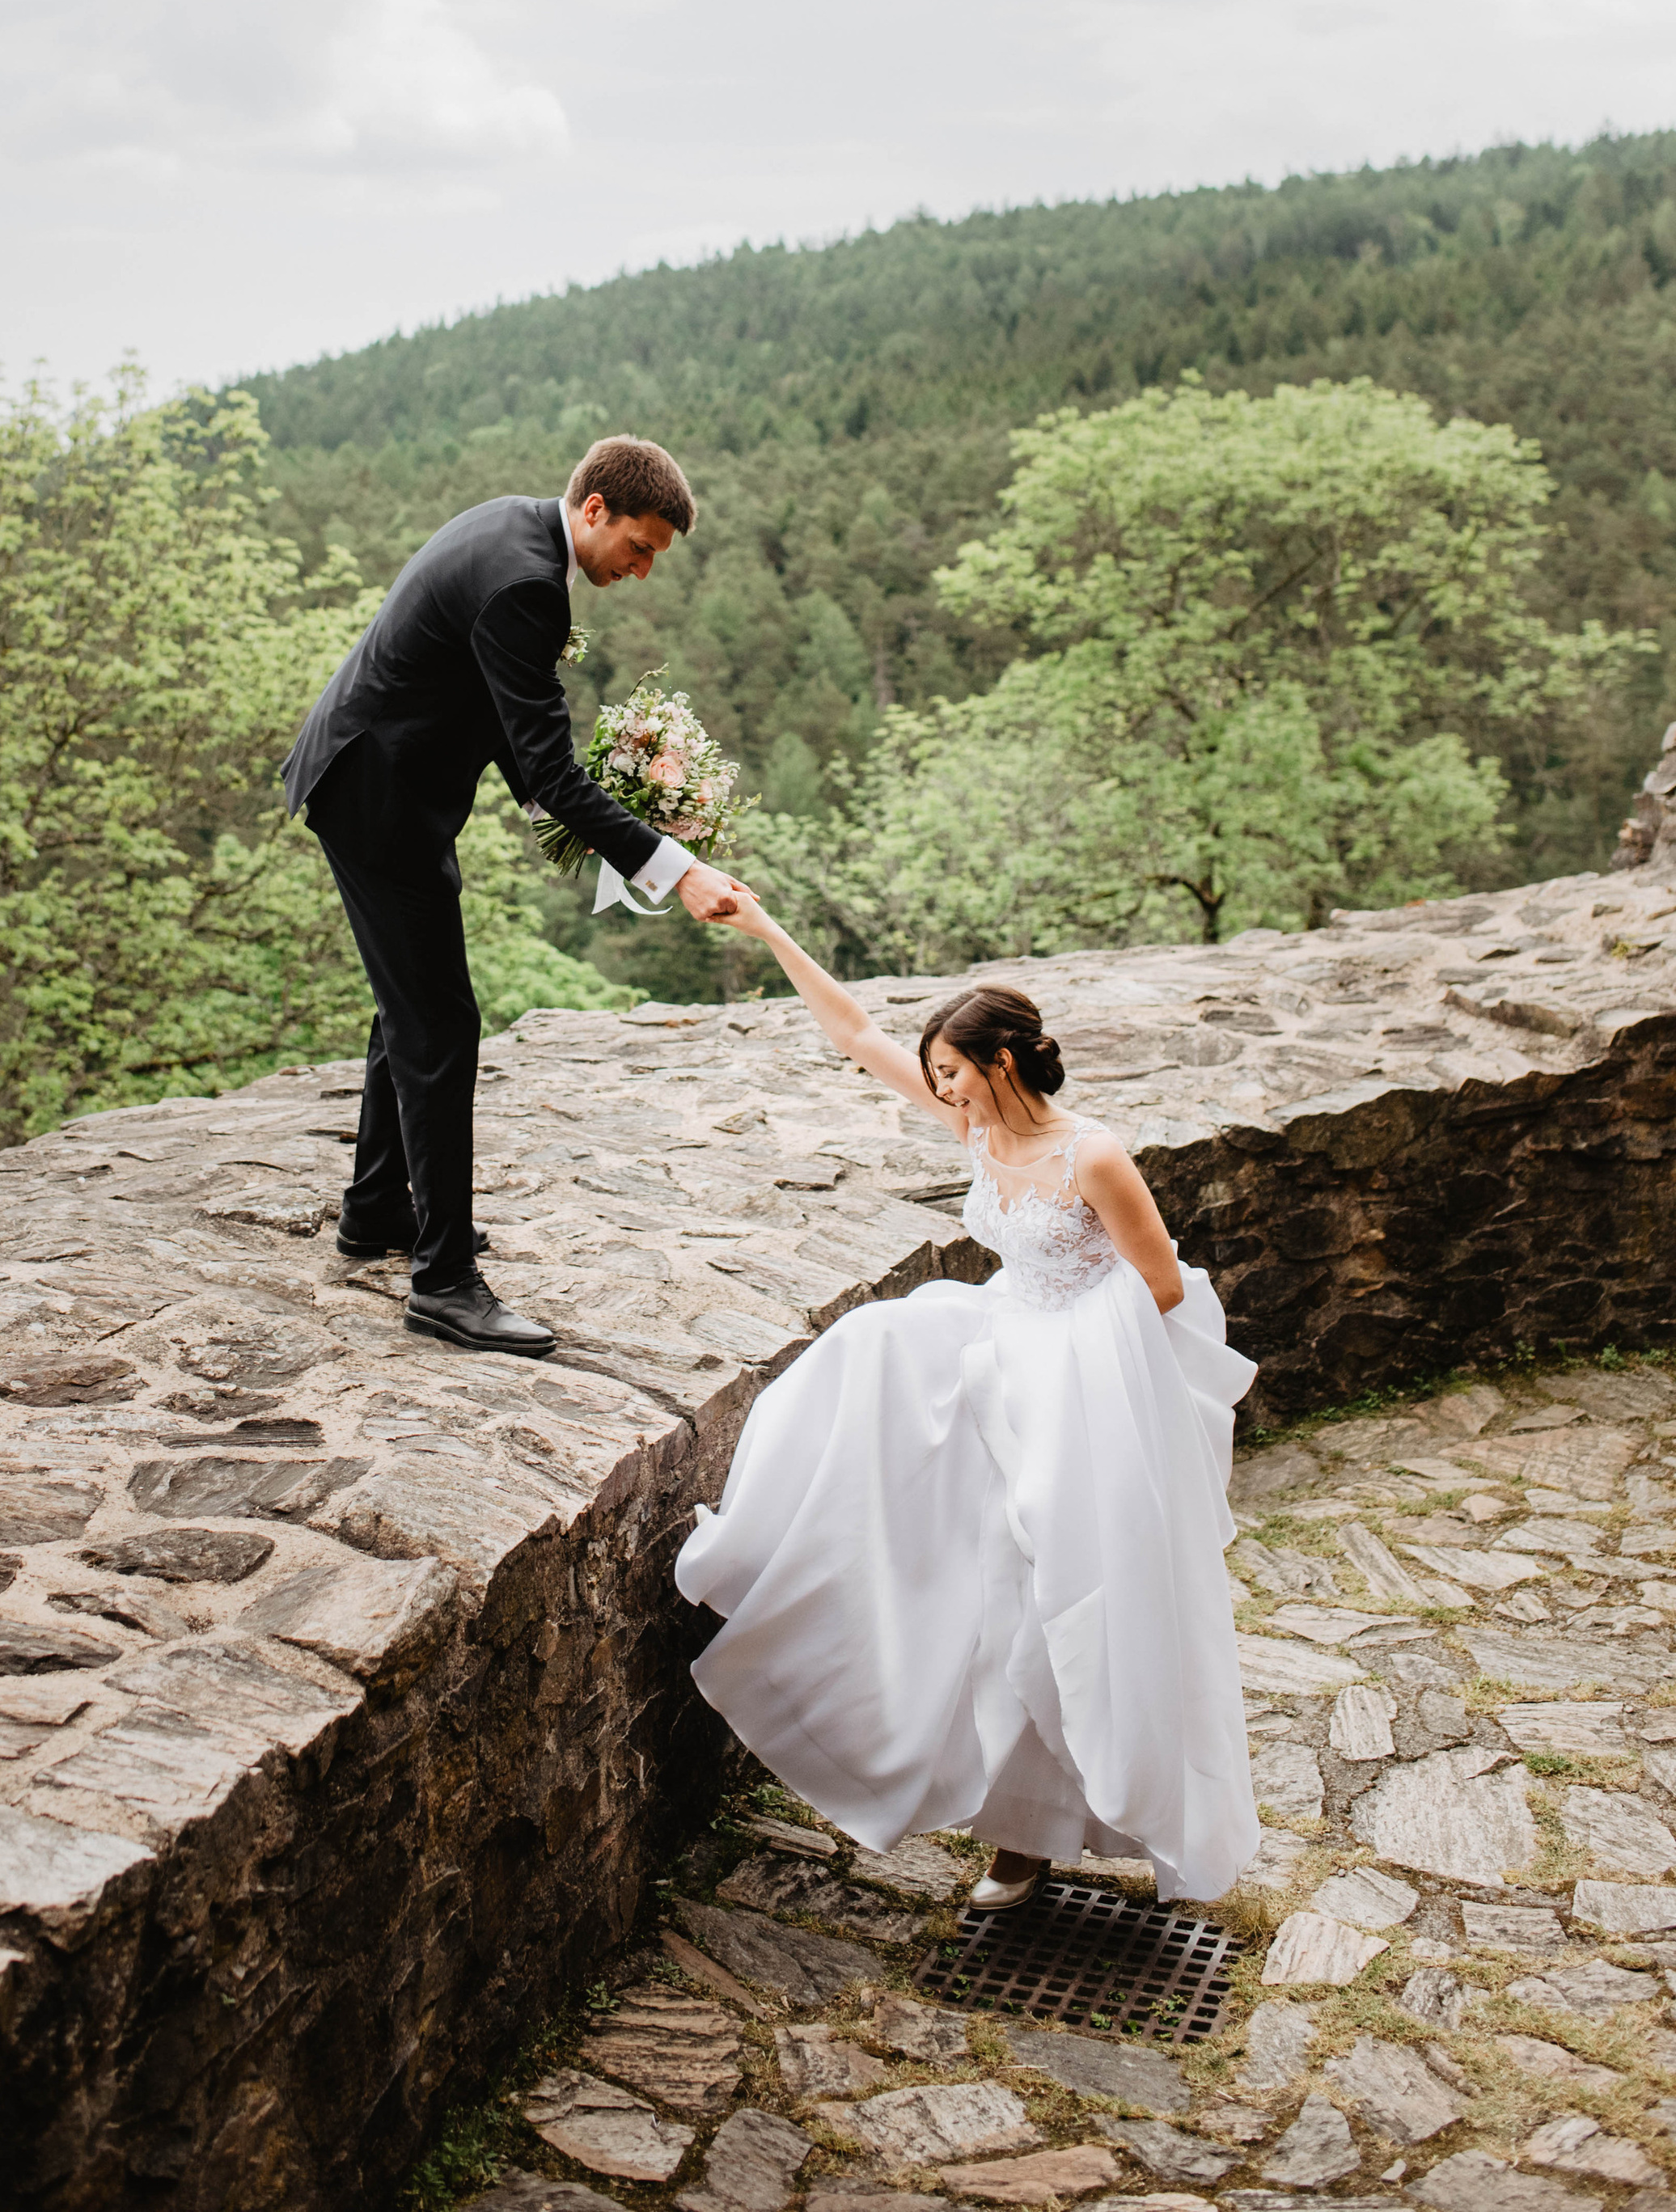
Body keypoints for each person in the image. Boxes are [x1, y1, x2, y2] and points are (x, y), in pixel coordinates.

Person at [675, 887, 1259, 1907]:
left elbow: (1160, 1287)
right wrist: (766, 929)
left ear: (1000, 1063)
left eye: (952, 1074)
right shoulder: (975, 1132)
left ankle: (1061, 1827)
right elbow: (854, 1031)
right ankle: (1010, 1829)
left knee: (1054, 1603)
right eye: (934, 1077)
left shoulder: (1095, 1157)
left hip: (1076, 1389)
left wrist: (1069, 1359)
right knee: (938, 1520)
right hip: (990, 1352)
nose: (941, 1093)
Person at [280, 436, 739, 1359]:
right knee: (441, 1028)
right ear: (597, 508)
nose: (641, 572)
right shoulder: (529, 582)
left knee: (410, 1012)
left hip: (380, 788)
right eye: (639, 548)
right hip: (377, 800)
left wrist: (563, 804)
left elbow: (500, 716)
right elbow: (549, 767)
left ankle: (375, 1212)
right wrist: (674, 868)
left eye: (655, 559)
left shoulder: (515, 530)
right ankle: (445, 1283)